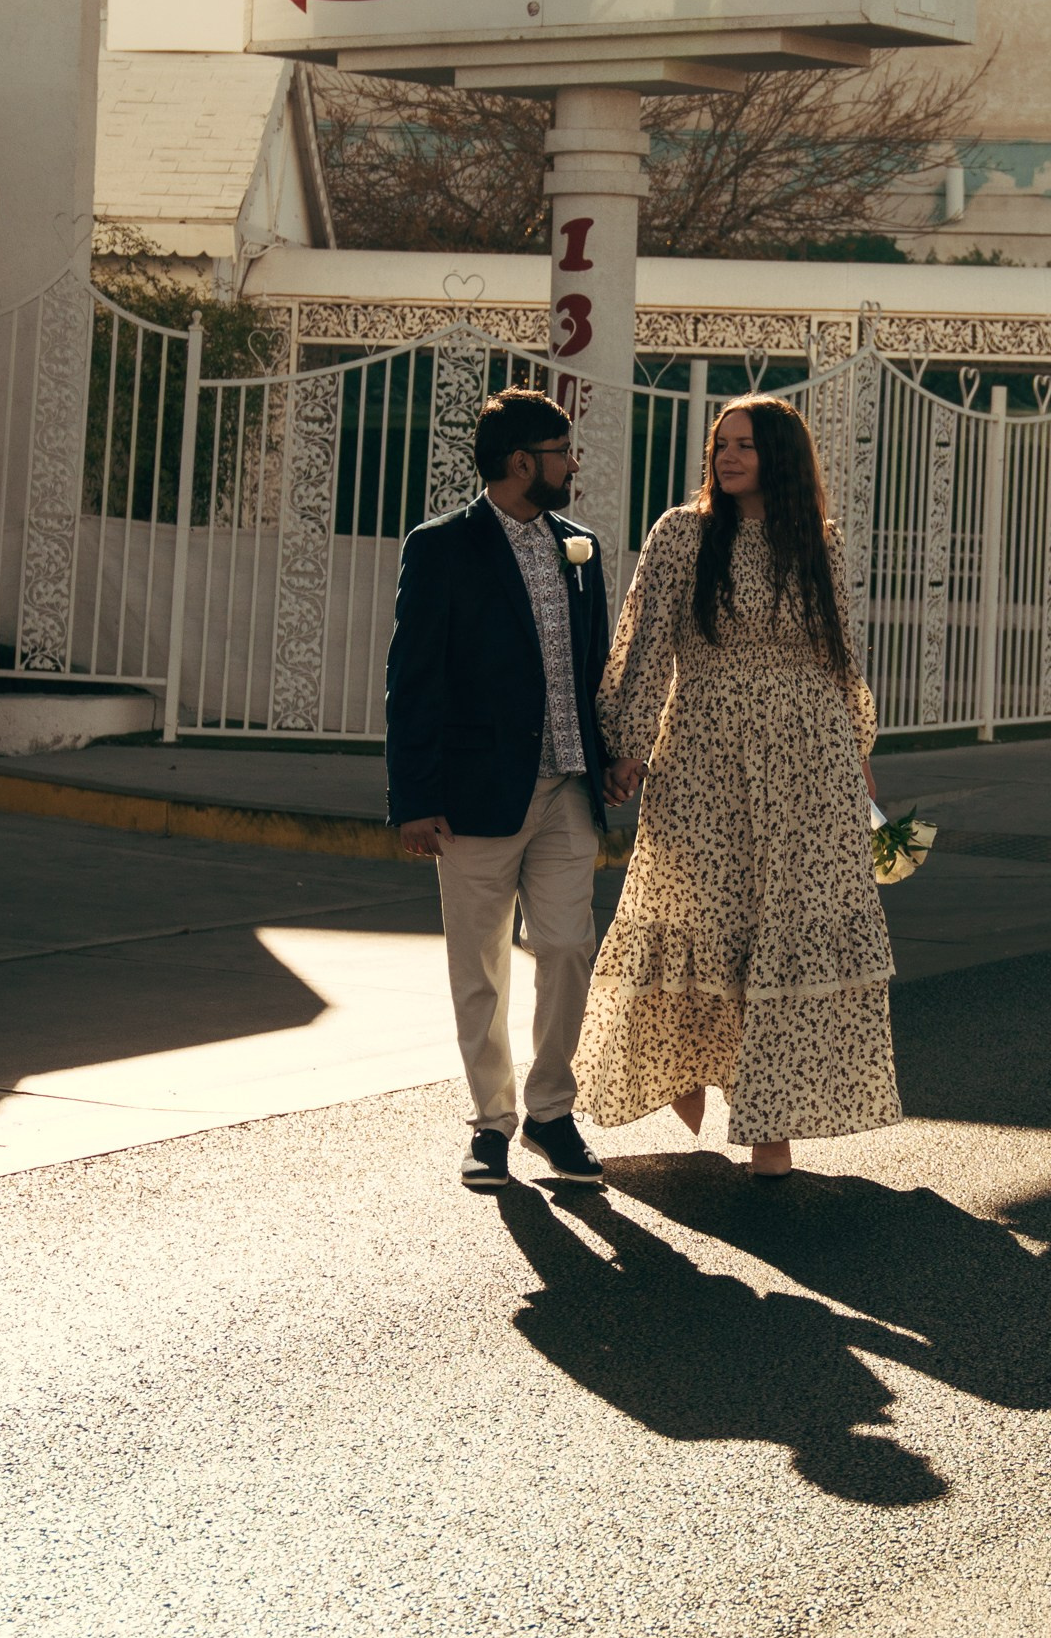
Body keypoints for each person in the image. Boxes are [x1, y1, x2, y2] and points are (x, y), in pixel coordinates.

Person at [573, 394, 900, 1179]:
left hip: (811, 759)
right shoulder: (682, 534)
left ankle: (769, 1129)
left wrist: (858, 762)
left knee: (789, 926)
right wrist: (626, 745)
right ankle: (688, 1065)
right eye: (722, 444)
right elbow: (645, 642)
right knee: (695, 911)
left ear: (780, 456)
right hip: (705, 752)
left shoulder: (819, 542)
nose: (728, 456)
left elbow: (839, 656)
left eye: (747, 445)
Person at [385, 386, 612, 1195]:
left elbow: (596, 675)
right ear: (522, 462)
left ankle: (553, 1111)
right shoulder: (443, 547)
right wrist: (414, 796)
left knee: (564, 946)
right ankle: (492, 1124)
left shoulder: (578, 546)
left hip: (566, 789)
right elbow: (415, 678)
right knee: (478, 965)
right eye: (561, 452)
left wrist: (610, 754)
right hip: (476, 793)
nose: (572, 463)